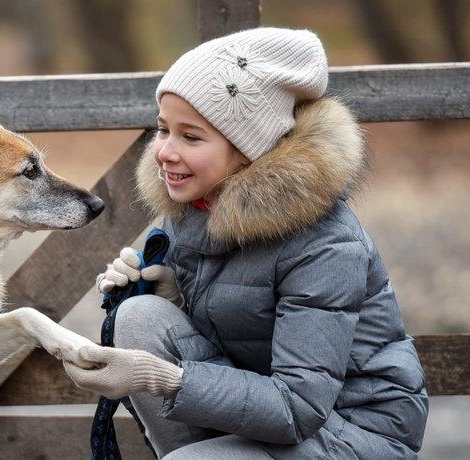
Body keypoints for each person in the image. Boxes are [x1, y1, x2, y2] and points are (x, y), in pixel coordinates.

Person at [62, 27, 429, 459]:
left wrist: (160, 377)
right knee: (139, 314)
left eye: (190, 136)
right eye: (163, 129)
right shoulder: (198, 205)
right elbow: (240, 329)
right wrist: (174, 295)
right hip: (267, 417)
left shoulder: (326, 244)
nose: (164, 151)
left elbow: (298, 407)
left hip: (357, 434)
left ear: (248, 150)